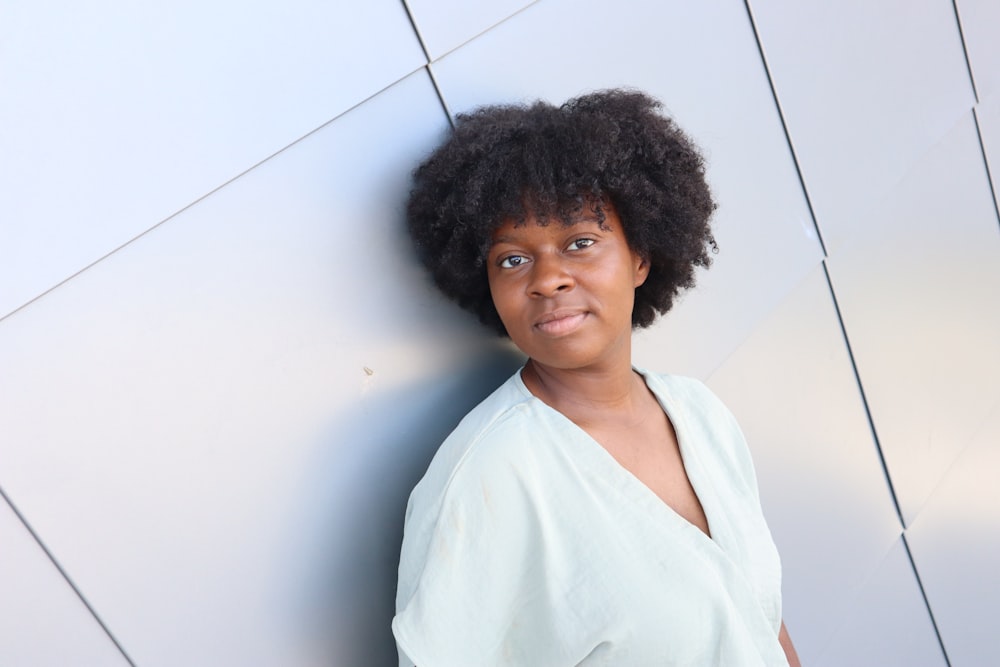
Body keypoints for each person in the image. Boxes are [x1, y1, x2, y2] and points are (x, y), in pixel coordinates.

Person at [391, 89, 801, 667]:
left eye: (580, 243)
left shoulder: (699, 412)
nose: (548, 278)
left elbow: (758, 617)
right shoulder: (491, 473)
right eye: (512, 258)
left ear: (641, 258)